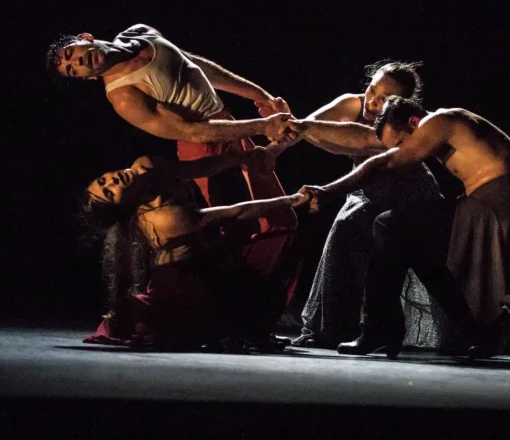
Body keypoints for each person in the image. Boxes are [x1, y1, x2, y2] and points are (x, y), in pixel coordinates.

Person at [46, 23, 298, 301]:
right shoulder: (123, 97)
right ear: (87, 78)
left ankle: (253, 311)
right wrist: (262, 126)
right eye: (73, 69)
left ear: (85, 38)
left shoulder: (139, 32)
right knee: (251, 227)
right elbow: (193, 131)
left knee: (278, 219)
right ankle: (242, 314)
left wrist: (257, 94)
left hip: (228, 125)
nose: (79, 62)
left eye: (72, 54)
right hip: (205, 145)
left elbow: (195, 65)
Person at [292, 96, 510, 358]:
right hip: (489, 204)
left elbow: (387, 162)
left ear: (414, 122)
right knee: (418, 250)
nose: (401, 150)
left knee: (389, 224)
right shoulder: (451, 122)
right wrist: (305, 128)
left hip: (491, 207)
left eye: (401, 143)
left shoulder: (439, 120)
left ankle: (379, 328)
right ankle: (481, 331)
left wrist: (326, 191)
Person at [263, 61, 449, 350]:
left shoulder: (398, 125)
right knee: (344, 236)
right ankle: (335, 327)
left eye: (384, 99)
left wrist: (305, 128)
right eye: (372, 89)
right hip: (366, 191)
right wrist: (271, 152)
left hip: (406, 194)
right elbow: (303, 128)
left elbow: (358, 141)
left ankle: (335, 330)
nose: (373, 101)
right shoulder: (352, 103)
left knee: (426, 265)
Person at [79, 148, 306, 352]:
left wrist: (244, 156)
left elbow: (199, 168)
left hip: (208, 262)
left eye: (102, 180)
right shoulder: (163, 218)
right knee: (275, 240)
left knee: (257, 259)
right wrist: (291, 200)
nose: (112, 180)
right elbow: (234, 212)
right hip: (184, 284)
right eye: (109, 192)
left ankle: (245, 328)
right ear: (124, 206)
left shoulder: (147, 164)